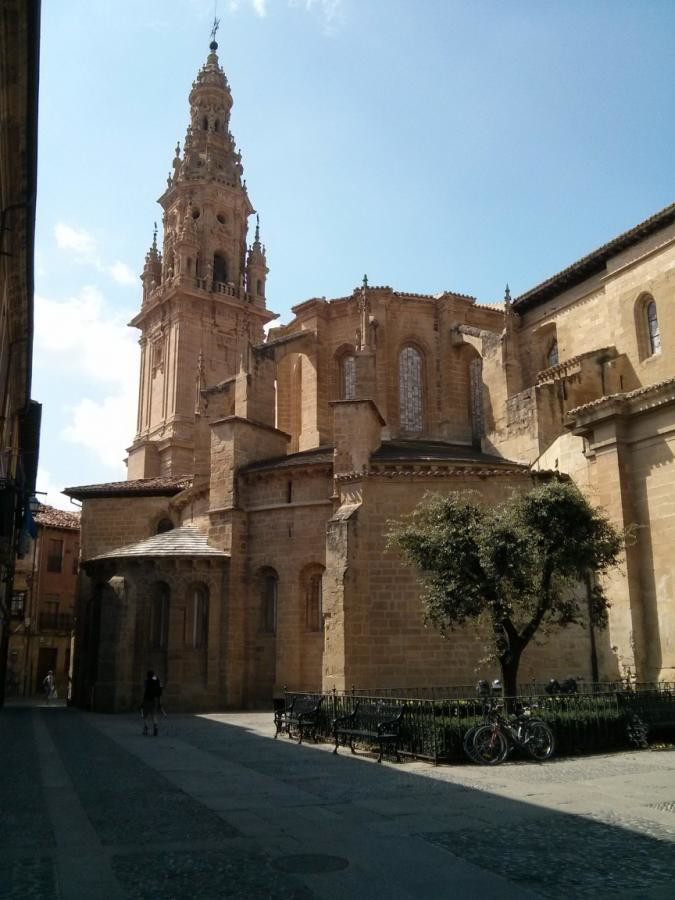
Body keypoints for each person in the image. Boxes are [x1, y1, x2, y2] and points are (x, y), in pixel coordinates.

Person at [141, 670, 163, 736]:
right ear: (153, 674)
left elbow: (145, 690)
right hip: (155, 699)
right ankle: (155, 727)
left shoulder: (146, 681)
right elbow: (161, 688)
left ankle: (146, 728)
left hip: (147, 699)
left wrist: (142, 702)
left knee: (145, 715)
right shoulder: (157, 679)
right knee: (154, 714)